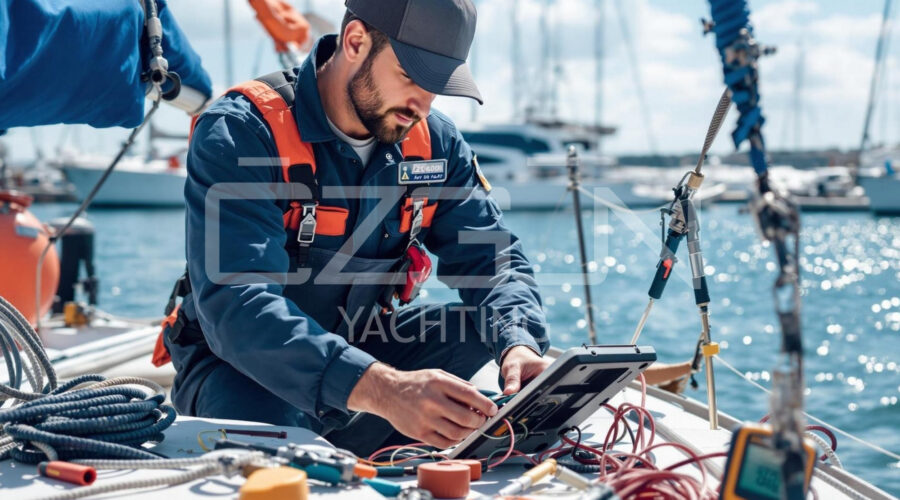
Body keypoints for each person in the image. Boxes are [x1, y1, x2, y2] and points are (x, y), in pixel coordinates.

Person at [162, 0, 552, 456]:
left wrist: (518, 345)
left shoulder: (436, 144)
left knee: (481, 330)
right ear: (355, 42)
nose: (423, 105)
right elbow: (238, 307)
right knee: (277, 442)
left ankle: (396, 439)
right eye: (412, 77)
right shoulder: (243, 131)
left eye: (438, 86)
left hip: (367, 347)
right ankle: (370, 437)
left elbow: (494, 261)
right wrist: (385, 390)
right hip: (243, 367)